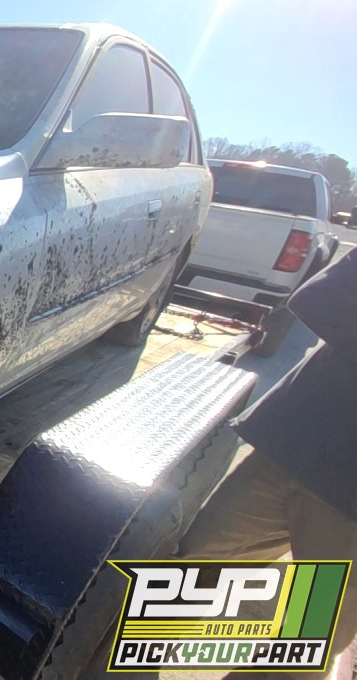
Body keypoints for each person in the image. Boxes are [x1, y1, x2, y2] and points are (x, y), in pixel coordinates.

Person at [178, 248, 357, 678]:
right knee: (187, 577)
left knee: (307, 638)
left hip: (349, 511)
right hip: (290, 451)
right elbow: (319, 300)